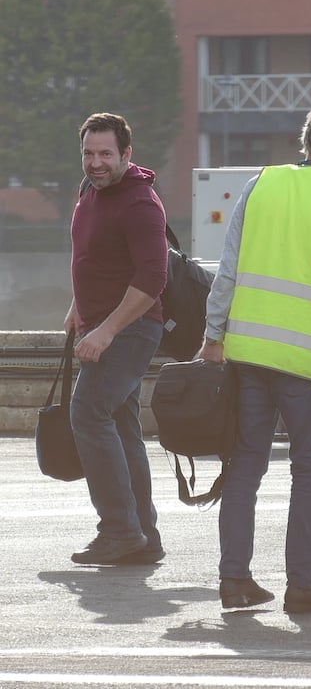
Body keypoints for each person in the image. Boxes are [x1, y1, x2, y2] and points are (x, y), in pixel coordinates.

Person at [197, 103, 311, 614]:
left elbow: (227, 270)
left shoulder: (261, 184)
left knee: (246, 466)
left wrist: (214, 334)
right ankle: (301, 587)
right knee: (309, 469)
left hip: (249, 353)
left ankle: (234, 580)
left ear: (308, 142)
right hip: (304, 362)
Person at [65, 113, 168, 566]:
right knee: (122, 428)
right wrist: (77, 306)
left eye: (106, 154)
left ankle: (119, 530)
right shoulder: (89, 190)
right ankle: (143, 536)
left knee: (88, 412)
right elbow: (91, 255)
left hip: (131, 328)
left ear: (127, 154)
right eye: (89, 153)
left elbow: (153, 279)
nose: (96, 162)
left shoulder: (141, 204)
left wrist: (106, 331)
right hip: (98, 324)